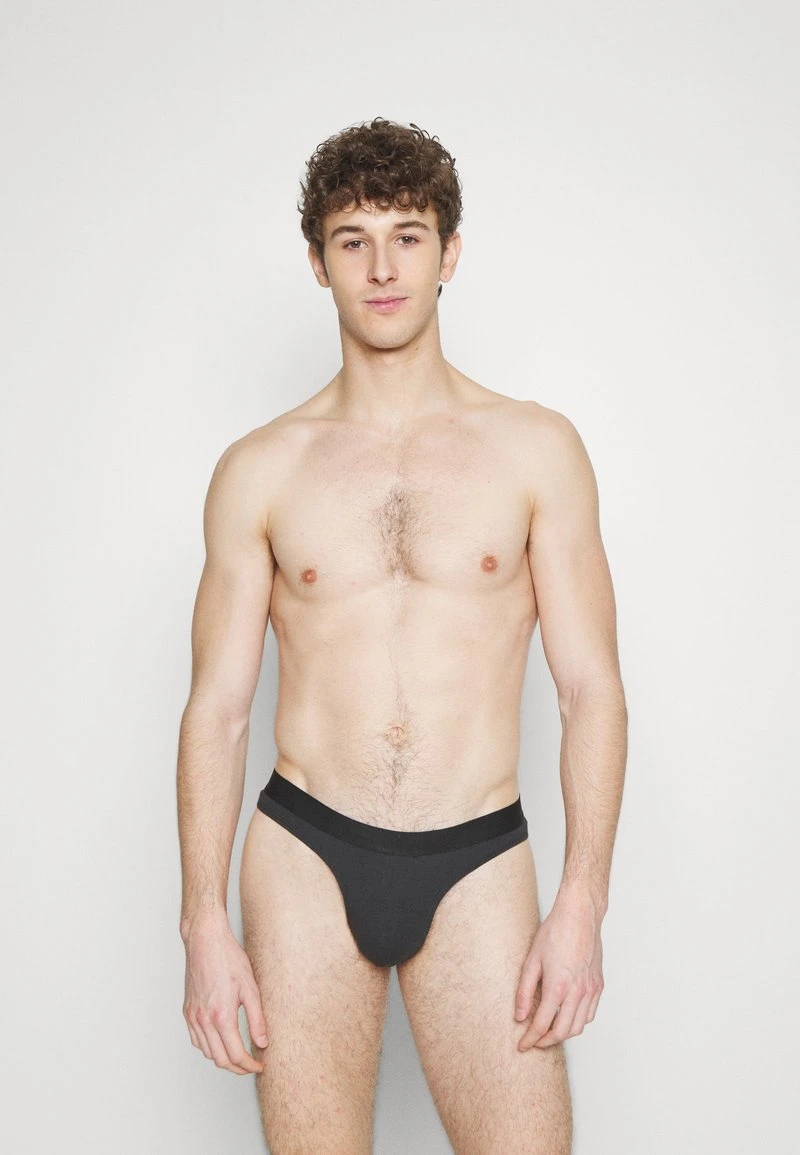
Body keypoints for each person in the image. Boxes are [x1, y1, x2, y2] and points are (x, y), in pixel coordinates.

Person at [177, 116, 627, 1154]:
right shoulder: (260, 467)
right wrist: (201, 921)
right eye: (353, 240)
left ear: (448, 253)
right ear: (318, 262)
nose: (381, 268)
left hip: (476, 855)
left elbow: (589, 689)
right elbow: (218, 707)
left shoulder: (535, 448)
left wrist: (581, 903)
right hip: (304, 852)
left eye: (407, 236)